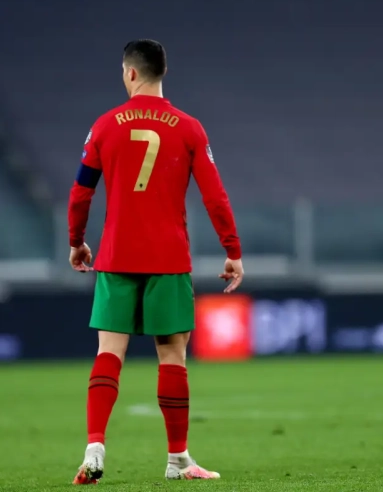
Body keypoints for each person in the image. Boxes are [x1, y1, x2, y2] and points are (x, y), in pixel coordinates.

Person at [67, 39, 243, 484]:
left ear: (130, 73)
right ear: (163, 72)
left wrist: (77, 242)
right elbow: (215, 196)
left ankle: (94, 447)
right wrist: (232, 250)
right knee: (172, 355)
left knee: (110, 352)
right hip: (168, 257)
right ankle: (178, 459)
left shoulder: (104, 125)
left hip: (116, 256)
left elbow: (81, 192)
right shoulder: (189, 128)